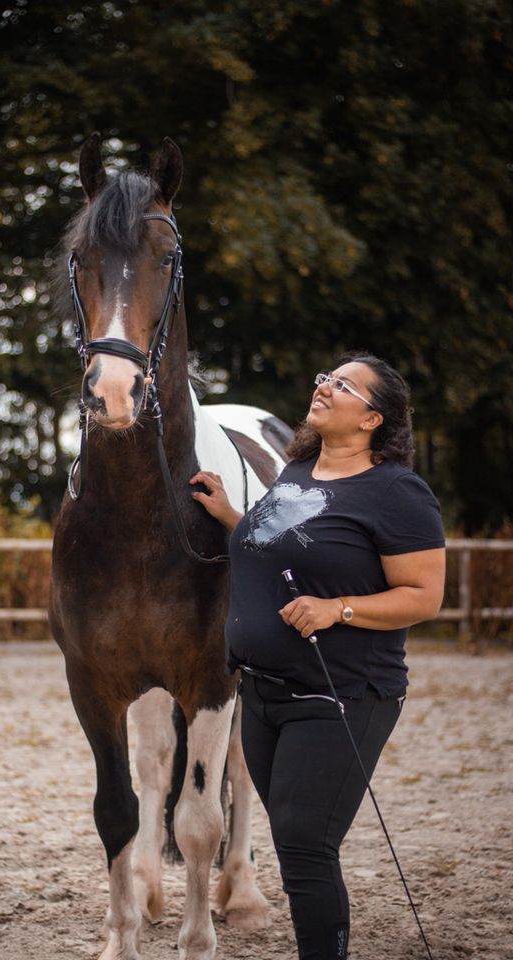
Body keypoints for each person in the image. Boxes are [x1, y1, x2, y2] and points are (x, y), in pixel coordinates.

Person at [189, 353, 446, 960]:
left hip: (342, 696)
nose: (323, 385)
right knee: (293, 840)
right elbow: (281, 540)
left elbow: (425, 596)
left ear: (372, 419)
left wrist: (340, 610)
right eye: (324, 377)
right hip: (265, 693)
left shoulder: (398, 494)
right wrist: (231, 516)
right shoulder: (299, 470)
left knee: (306, 844)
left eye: (342, 384)